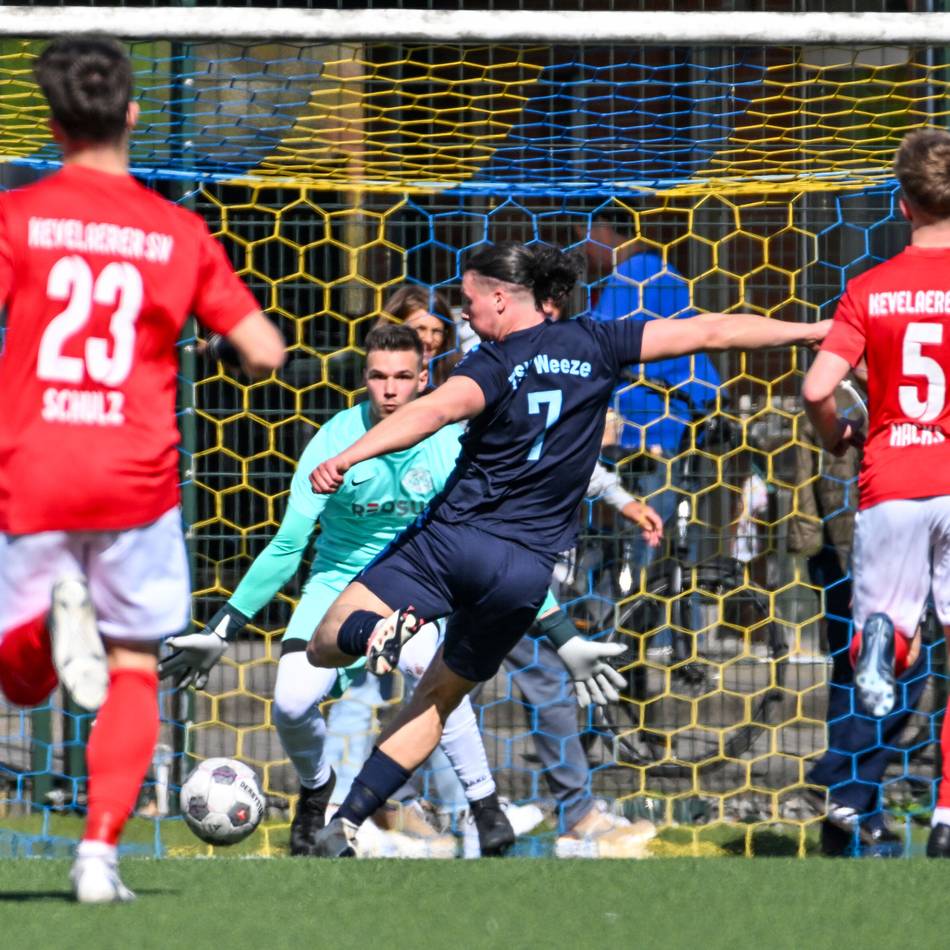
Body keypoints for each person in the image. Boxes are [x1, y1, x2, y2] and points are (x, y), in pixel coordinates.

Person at [304, 240, 828, 856]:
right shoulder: (600, 343)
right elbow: (713, 329)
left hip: (455, 540)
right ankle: (348, 825)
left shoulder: (493, 363)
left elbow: (436, 411)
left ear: (501, 299)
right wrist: (812, 328)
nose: (465, 314)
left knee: (325, 639)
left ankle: (377, 635)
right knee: (440, 697)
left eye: (470, 300)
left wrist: (348, 454)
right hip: (525, 572)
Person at [0, 37, 284, 902]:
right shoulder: (177, 230)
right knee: (131, 665)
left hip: (37, 466)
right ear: (132, 114)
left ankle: (40, 639)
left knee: (19, 685)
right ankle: (96, 860)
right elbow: (267, 351)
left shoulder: (18, 215)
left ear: (52, 123)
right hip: (135, 479)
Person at [161, 323, 515, 857]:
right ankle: (316, 790)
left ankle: (484, 809)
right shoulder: (333, 440)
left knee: (430, 667)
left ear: (424, 378)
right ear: (364, 379)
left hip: (415, 583)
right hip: (335, 586)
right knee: (290, 703)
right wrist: (222, 628)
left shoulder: (448, 442)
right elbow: (287, 546)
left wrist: (556, 625)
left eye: (402, 376)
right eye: (378, 376)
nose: (390, 389)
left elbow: (491, 539)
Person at [802, 127, 950, 858]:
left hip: (890, 476)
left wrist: (837, 436)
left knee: (883, 644)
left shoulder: (870, 288)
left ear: (901, 204)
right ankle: (947, 817)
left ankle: (850, 797)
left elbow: (817, 388)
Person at [789, 403, 926, 856]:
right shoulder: (842, 394)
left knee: (872, 679)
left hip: (897, 543)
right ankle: (844, 792)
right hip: (853, 551)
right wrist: (815, 547)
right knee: (883, 675)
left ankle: (849, 809)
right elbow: (806, 471)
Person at [379, 285, 458, 387]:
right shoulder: (375, 389)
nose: (429, 340)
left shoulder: (455, 384)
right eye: (419, 329)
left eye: (437, 331)